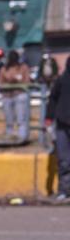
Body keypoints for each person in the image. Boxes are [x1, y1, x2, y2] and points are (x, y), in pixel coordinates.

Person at [44, 61, 70, 201]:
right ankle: (64, 191)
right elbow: (53, 99)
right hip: (62, 124)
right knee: (64, 160)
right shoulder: (62, 80)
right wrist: (49, 117)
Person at [0, 50, 31, 142]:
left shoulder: (23, 68)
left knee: (21, 118)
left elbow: (27, 82)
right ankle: (10, 137)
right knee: (9, 119)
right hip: (7, 96)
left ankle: (22, 137)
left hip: (20, 94)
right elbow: (0, 83)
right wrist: (9, 82)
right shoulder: (4, 69)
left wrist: (17, 82)